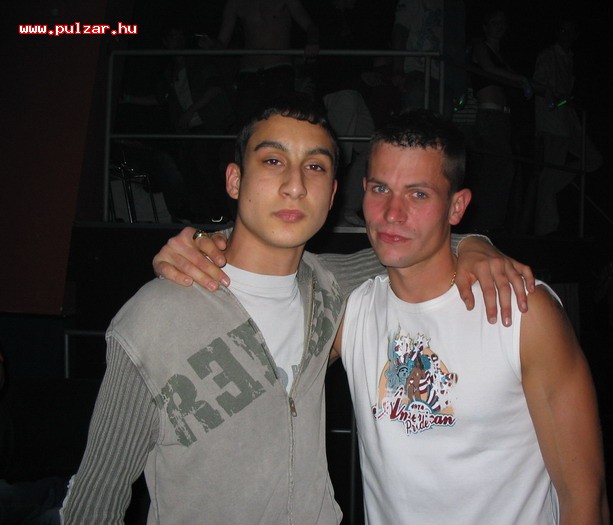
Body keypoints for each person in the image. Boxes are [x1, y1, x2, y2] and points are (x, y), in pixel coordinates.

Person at [61, 96, 533, 523]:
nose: (294, 185)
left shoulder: (331, 287)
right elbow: (94, 502)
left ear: (333, 194)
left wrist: (473, 243)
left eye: (315, 167)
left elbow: (415, 243)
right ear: (235, 179)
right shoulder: (154, 318)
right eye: (273, 161)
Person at [333, 109, 609, 523]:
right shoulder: (352, 313)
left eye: (418, 194)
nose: (392, 213)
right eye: (380, 189)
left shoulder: (523, 313)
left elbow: (584, 497)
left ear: (457, 206)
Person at [532, 16, 604, 236]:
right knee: (551, 170)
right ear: (557, 32)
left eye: (571, 31)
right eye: (563, 30)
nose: (567, 35)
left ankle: (549, 186)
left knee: (593, 159)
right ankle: (546, 226)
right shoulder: (548, 55)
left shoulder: (569, 57)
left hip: (569, 120)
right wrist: (553, 98)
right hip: (553, 121)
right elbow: (537, 85)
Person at [200, 0, 321, 128]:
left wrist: (313, 42)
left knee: (279, 121)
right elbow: (222, 44)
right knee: (247, 123)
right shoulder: (235, 3)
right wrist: (211, 45)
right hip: (248, 72)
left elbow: (310, 26)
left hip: (279, 68)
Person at [468, 7, 533, 233]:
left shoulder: (501, 57)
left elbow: (516, 78)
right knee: (498, 169)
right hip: (489, 114)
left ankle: (490, 223)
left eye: (503, 23)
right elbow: (488, 68)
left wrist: (544, 89)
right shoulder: (480, 46)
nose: (500, 26)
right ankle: (484, 224)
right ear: (485, 26)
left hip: (502, 117)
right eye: (495, 22)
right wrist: (521, 80)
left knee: (500, 170)